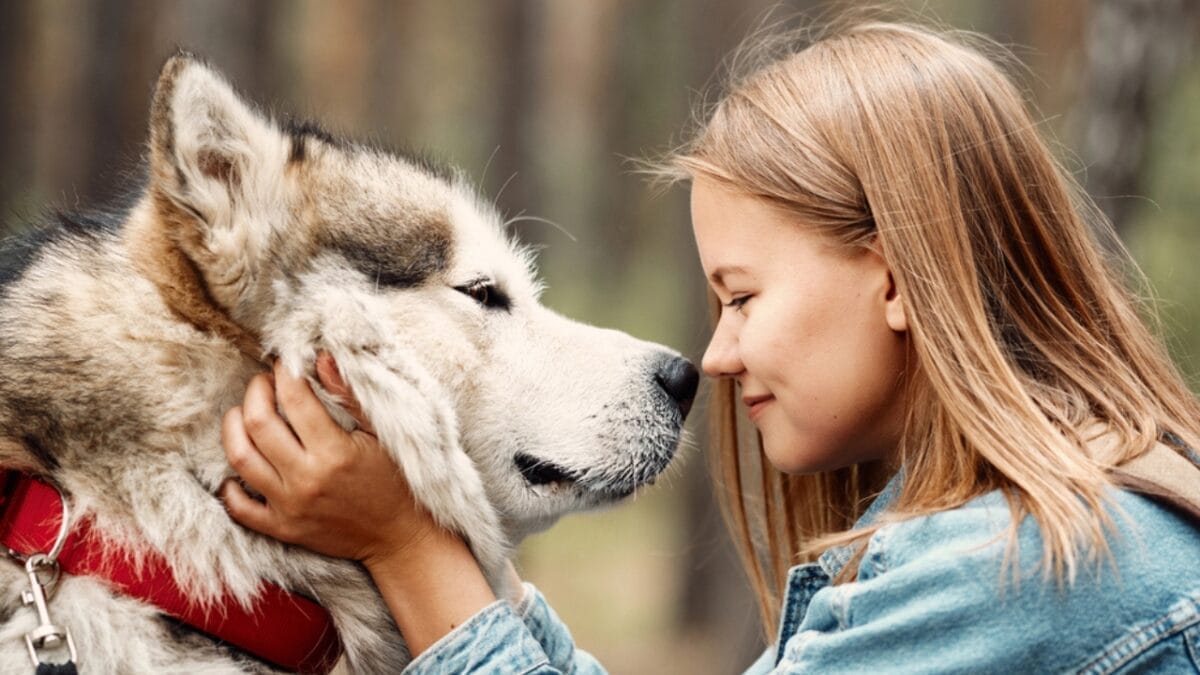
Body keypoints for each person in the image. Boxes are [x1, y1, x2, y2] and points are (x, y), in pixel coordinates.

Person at [219, 21, 1200, 673]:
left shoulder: (1018, 570)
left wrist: (405, 546)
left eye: (742, 297)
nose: (718, 356)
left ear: (894, 277)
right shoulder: (1082, 519)